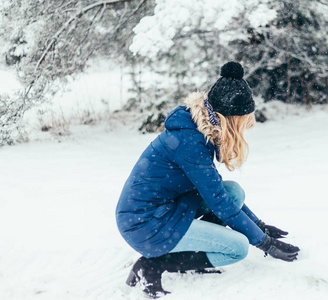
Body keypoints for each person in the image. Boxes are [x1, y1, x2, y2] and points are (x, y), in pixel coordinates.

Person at [116, 61, 300, 298]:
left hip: (165, 209)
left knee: (234, 191)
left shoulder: (196, 128)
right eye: (242, 123)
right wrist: (264, 243)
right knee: (237, 248)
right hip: (145, 224)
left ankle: (192, 254)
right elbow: (219, 203)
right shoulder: (191, 142)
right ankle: (152, 265)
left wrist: (260, 227)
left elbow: (221, 196)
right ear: (230, 119)